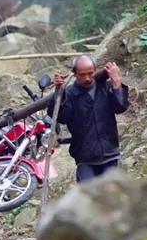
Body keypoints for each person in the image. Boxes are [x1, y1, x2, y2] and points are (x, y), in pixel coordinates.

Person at [49, 54, 130, 182]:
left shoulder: (105, 86)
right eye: (82, 74)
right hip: (85, 157)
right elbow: (61, 117)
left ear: (95, 70)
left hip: (109, 153)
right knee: (87, 198)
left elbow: (120, 107)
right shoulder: (70, 94)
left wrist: (116, 81)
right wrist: (59, 91)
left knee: (112, 196)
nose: (87, 78)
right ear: (73, 73)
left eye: (90, 73)